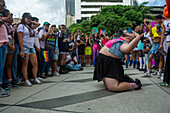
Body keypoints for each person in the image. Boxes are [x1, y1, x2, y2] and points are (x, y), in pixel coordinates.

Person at [17, 13, 41, 86]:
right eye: (27, 18)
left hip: (31, 46)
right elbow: (20, 39)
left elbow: (38, 24)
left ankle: (35, 78)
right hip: (24, 46)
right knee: (25, 64)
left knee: (35, 63)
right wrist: (22, 50)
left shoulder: (29, 26)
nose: (29, 20)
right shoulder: (21, 26)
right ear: (23, 18)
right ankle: (25, 79)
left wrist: (31, 22)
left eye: (30, 18)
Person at [0, 0, 10, 97]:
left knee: (1, 67)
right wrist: (3, 20)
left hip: (3, 43)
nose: (4, 7)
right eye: (3, 5)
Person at [159, 17, 170, 87]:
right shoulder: (165, 22)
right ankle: (167, 80)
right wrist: (161, 44)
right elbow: (163, 33)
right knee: (168, 60)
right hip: (168, 42)